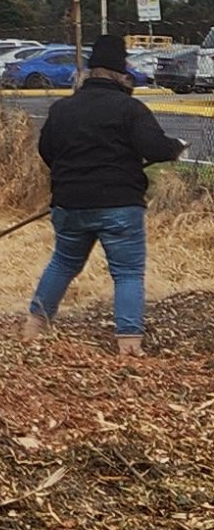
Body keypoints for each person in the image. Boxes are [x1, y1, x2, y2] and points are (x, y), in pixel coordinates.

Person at [24, 35, 190, 356]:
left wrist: (72, 175)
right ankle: (129, 343)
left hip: (69, 204)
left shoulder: (62, 109)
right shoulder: (130, 108)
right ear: (122, 71)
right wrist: (176, 148)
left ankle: (34, 327)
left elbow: (47, 151)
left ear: (89, 71)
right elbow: (154, 148)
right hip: (119, 204)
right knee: (127, 273)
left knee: (63, 262)